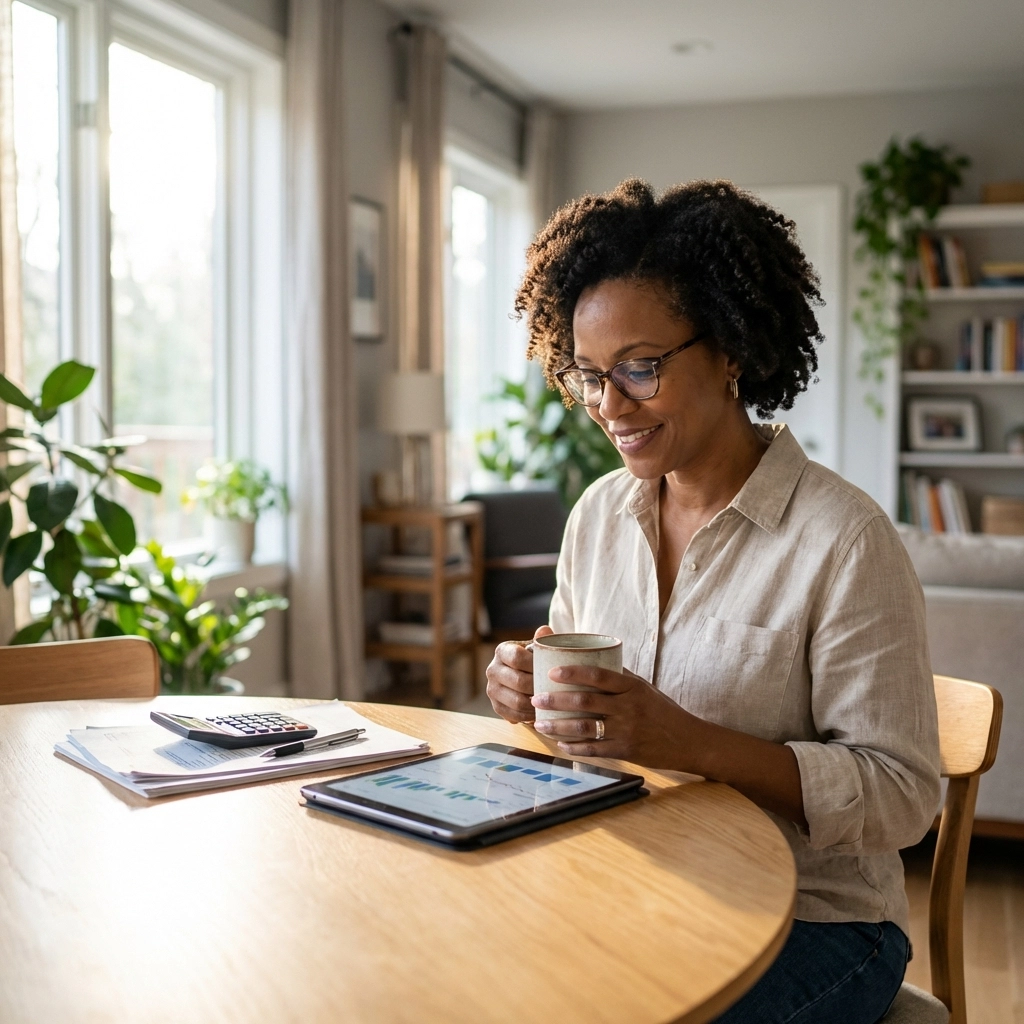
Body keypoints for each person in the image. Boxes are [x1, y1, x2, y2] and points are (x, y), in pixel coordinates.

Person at [486, 179, 940, 1024]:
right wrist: (523, 695)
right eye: (589, 375)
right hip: (635, 881)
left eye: (641, 368)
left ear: (730, 349)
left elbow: (903, 797)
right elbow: (585, 734)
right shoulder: (596, 516)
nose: (610, 406)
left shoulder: (844, 539)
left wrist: (688, 741)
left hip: (817, 921)